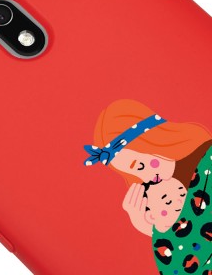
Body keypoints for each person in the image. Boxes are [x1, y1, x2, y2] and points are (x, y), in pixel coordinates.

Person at [83, 99, 212, 274]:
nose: (146, 178)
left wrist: (149, 228)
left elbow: (195, 257)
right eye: (134, 173)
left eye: (141, 165)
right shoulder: (173, 189)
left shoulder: (207, 161)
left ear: (156, 141)